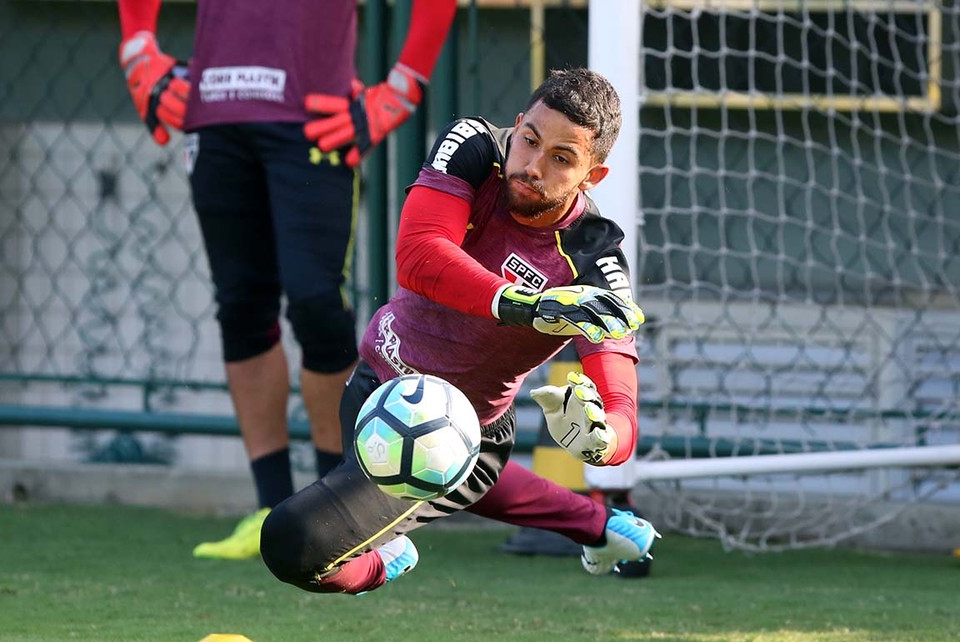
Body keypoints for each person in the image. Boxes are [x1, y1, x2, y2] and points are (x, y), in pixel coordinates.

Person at [259, 67, 660, 594]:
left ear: (592, 176)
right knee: (448, 473)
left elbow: (621, 405)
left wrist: (604, 442)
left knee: (293, 542)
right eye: (529, 141)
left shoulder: (594, 262)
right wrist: (525, 305)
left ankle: (388, 558)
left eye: (561, 159)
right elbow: (419, 256)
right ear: (516, 126)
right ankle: (601, 528)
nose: (533, 166)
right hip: (374, 384)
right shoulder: (474, 146)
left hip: (458, 435)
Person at [115, 0, 458, 559]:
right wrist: (137, 49)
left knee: (317, 304)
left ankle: (342, 511)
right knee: (242, 310)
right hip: (215, 113)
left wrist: (404, 83)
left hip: (312, 113)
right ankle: (269, 512)